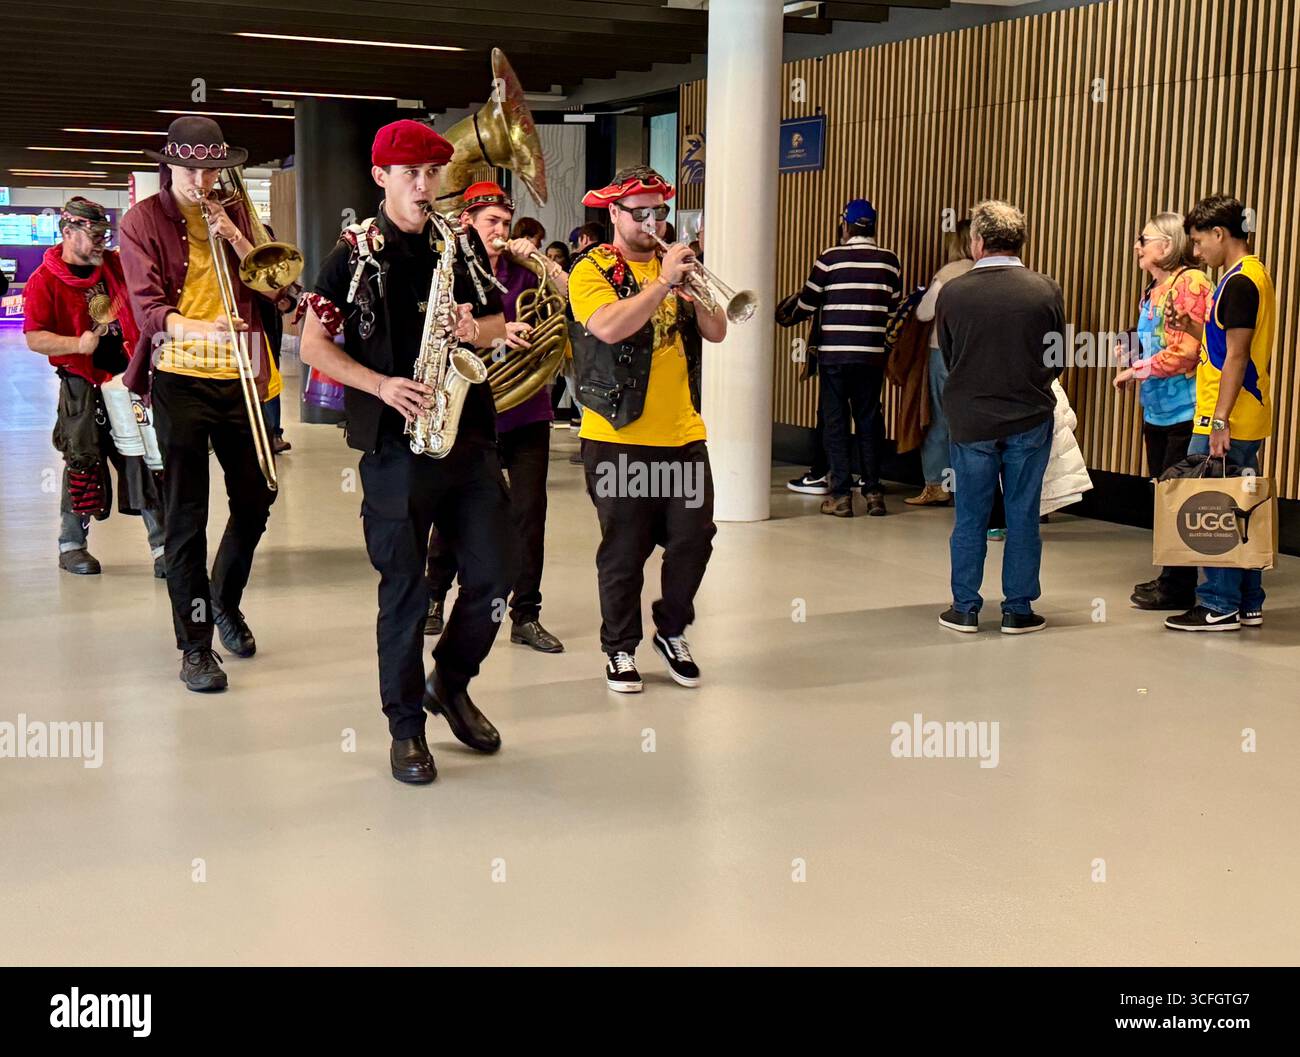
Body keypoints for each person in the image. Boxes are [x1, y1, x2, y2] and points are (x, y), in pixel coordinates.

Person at [299, 119, 517, 785]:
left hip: (467, 438)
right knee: (403, 593)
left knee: (494, 577)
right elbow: (312, 346)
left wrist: (471, 327)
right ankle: (406, 729)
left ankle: (448, 683)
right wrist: (380, 384)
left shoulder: (462, 245)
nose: (424, 185)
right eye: (410, 173)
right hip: (397, 450)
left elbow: (499, 323)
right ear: (381, 178)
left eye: (432, 173)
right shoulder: (353, 255)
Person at [119, 117, 282, 692]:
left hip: (240, 373)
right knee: (187, 515)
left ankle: (223, 601)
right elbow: (147, 307)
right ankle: (194, 646)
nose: (201, 179)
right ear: (169, 165)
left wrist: (238, 237)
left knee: (259, 494)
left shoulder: (234, 210)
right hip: (178, 374)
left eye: (210, 168)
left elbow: (277, 288)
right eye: (190, 168)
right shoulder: (141, 220)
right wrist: (203, 330)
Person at [568, 165, 727, 693]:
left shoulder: (674, 267)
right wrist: (660, 284)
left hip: (681, 433)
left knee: (694, 538)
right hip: (616, 437)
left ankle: (672, 627)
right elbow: (608, 327)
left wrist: (691, 289)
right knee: (624, 550)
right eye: (641, 214)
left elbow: (718, 330)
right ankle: (619, 648)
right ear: (613, 213)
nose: (653, 223)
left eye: (660, 212)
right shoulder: (590, 269)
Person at [424, 180, 567, 654]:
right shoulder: (447, 268)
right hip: (468, 409)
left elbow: (573, 303)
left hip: (527, 409)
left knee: (529, 514)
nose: (501, 232)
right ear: (466, 222)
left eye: (506, 223)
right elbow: (439, 332)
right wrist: (501, 331)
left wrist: (543, 259)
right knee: (452, 513)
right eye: (492, 223)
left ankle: (526, 613)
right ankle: (434, 597)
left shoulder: (525, 268)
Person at [936, 200, 1063, 635]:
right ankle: (1018, 609)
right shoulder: (1045, 289)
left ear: (978, 241)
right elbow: (1056, 356)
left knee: (970, 515)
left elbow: (950, 356)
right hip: (1029, 416)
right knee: (1023, 513)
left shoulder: (954, 292)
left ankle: (965, 607)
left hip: (971, 420)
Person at [23, 197, 166, 577]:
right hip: (81, 384)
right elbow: (35, 337)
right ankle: (71, 546)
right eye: (95, 234)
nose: (102, 240)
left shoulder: (115, 266)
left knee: (145, 459)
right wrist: (75, 344)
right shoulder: (44, 280)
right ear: (68, 233)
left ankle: (163, 546)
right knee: (82, 460)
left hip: (127, 379)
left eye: (105, 233)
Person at [1164, 195, 1275, 632]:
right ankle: (1248, 601)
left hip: (1229, 416)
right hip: (1243, 415)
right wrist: (1191, 327)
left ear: (1219, 234)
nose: (1196, 253)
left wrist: (1219, 421)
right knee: (1242, 508)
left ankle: (1218, 602)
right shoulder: (1248, 276)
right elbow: (1223, 343)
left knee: (1216, 509)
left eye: (1197, 242)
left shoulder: (1241, 282)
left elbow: (1237, 355)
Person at [1111, 212, 1212, 610]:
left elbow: (1188, 352)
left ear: (1167, 246)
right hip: (1157, 411)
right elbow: (1156, 343)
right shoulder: (1154, 289)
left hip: (1185, 412)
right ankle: (1173, 577)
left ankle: (1178, 586)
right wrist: (1132, 349)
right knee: (1165, 497)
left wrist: (1136, 369)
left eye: (1143, 239)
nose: (1137, 246)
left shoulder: (1189, 283)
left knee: (1178, 500)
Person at [794, 198, 902, 517]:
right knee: (869, 419)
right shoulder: (890, 261)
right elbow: (893, 307)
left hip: (835, 355)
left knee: (836, 421)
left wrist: (789, 313)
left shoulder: (830, 258)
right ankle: (873, 492)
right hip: (871, 354)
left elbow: (808, 301)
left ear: (845, 225)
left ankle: (841, 495)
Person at [907, 221, 973, 506]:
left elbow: (923, 313)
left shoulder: (949, 273)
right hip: (976, 354)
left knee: (939, 420)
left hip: (943, 351)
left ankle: (936, 484)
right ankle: (968, 487)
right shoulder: (988, 272)